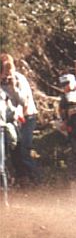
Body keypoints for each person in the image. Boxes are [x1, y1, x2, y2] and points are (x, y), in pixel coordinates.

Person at [0, 54, 40, 186]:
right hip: (10, 120)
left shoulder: (19, 79)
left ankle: (35, 180)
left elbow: (24, 102)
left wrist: (14, 88)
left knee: (23, 150)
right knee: (14, 151)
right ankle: (22, 180)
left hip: (26, 117)